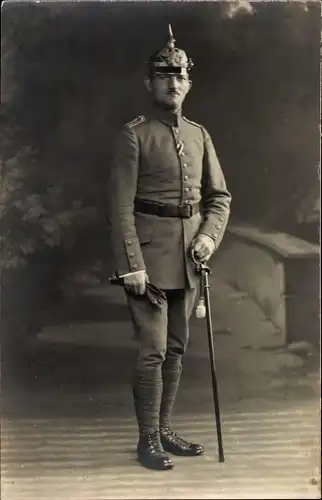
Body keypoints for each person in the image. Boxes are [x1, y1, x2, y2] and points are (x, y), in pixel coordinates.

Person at [107, 25, 231, 471]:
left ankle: (163, 430)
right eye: (164, 75)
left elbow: (219, 198)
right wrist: (131, 264)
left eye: (180, 76)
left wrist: (207, 237)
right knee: (153, 350)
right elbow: (120, 207)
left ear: (189, 83)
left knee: (176, 349)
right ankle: (146, 441)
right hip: (148, 260)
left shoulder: (199, 135)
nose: (173, 82)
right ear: (150, 83)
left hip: (189, 260)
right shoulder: (133, 135)